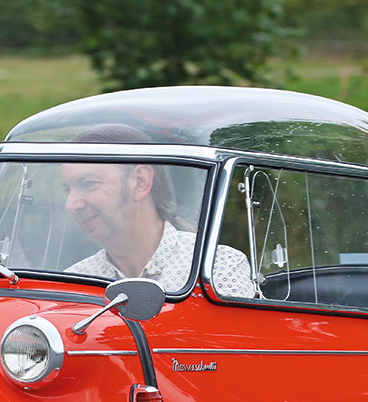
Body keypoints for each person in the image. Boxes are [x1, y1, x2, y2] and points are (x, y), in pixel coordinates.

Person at [60, 125, 256, 297]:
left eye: (88, 184)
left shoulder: (217, 267)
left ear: (140, 182)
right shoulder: (71, 282)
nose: (71, 205)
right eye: (68, 190)